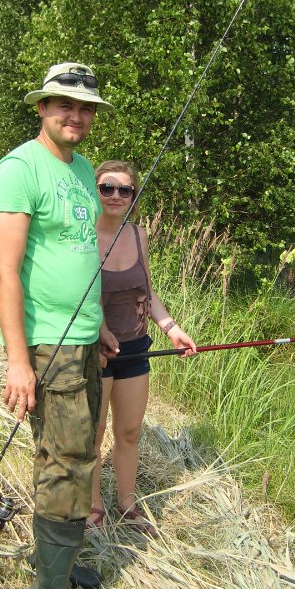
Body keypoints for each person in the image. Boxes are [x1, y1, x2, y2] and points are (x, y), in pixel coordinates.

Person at [0, 62, 118, 589]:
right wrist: (18, 360)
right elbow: (5, 272)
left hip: (86, 337)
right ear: (42, 107)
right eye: (65, 104)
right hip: (47, 344)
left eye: (86, 108)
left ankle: (58, 568)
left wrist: (100, 324)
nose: (76, 116)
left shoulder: (83, 168)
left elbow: (80, 253)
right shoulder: (18, 170)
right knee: (64, 462)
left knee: (82, 450)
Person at [86, 160, 197, 537]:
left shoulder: (138, 236)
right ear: (95, 191)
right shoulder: (82, 237)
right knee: (94, 432)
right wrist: (98, 331)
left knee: (130, 431)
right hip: (95, 351)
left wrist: (171, 328)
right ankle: (93, 505)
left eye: (125, 190)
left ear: (134, 196)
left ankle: (127, 503)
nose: (116, 196)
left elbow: (146, 291)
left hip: (136, 347)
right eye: (107, 188)